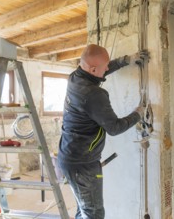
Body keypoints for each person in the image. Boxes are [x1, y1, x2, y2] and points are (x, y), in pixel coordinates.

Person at [58, 44, 148, 219]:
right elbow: (114, 127)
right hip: (83, 165)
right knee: (93, 213)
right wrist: (138, 113)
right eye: (104, 66)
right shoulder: (93, 95)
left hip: (71, 156)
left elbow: (98, 74)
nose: (107, 68)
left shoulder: (75, 77)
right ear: (92, 68)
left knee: (84, 210)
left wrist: (125, 61)